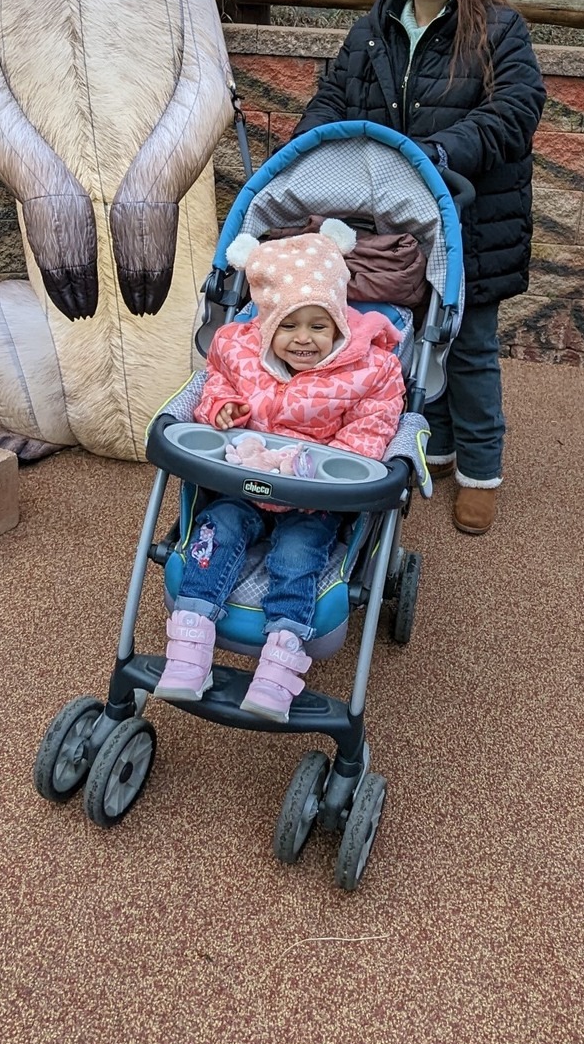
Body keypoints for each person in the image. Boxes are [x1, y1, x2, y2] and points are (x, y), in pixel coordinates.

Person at [293, 0, 546, 537]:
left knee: (471, 347)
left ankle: (482, 474)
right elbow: (333, 98)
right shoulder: (373, 28)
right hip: (393, 216)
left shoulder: (498, 29)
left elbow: (515, 111)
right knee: (410, 332)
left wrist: (435, 155)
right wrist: (308, 150)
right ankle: (436, 442)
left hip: (470, 214)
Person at [155, 219, 405, 722]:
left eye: (318, 325)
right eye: (288, 326)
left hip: (315, 495)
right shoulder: (241, 354)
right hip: (241, 485)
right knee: (215, 531)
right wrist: (222, 411)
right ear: (267, 325)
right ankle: (189, 648)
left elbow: (373, 427)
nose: (303, 339)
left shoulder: (366, 372)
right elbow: (216, 387)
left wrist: (323, 466)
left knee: (296, 555)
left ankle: (281, 660)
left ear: (339, 322)